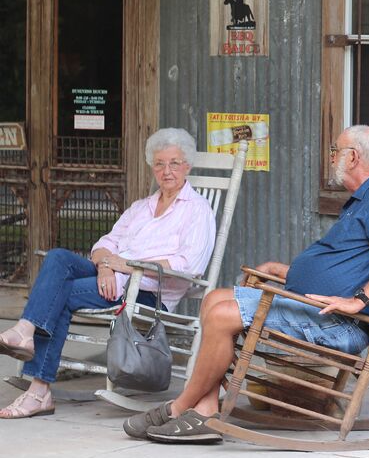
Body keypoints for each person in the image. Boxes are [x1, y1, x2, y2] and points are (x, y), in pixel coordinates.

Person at [123, 124, 369, 444]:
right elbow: (350, 262)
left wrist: (359, 300)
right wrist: (289, 272)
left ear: (353, 157)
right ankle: (207, 408)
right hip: (314, 306)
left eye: (335, 151)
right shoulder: (363, 199)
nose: (331, 158)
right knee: (214, 300)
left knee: (222, 315)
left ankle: (178, 407)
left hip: (338, 321)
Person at [0, 128, 216, 419]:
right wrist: (105, 266)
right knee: (58, 258)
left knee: (59, 294)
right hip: (113, 275)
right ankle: (27, 334)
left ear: (187, 166)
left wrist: (125, 267)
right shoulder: (142, 207)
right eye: (160, 164)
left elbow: (189, 264)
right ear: (152, 167)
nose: (167, 171)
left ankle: (38, 388)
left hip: (148, 292)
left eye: (174, 163)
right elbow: (105, 243)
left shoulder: (197, 211)